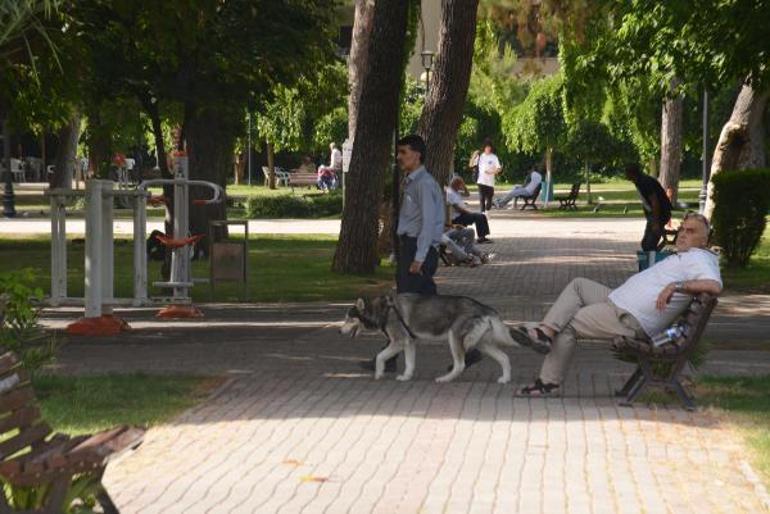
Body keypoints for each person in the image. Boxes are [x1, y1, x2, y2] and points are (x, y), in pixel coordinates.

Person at [514, 212, 721, 396]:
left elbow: (714, 285)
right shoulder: (687, 256)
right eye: (682, 229)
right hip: (616, 300)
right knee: (578, 285)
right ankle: (544, 333)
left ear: (704, 240)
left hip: (628, 318)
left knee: (567, 324)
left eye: (691, 231)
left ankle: (548, 382)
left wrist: (676, 286)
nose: (683, 234)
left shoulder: (700, 259)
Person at [360, 134, 482, 372]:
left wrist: (418, 257)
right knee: (431, 304)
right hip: (412, 247)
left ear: (416, 154)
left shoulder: (424, 184)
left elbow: (428, 224)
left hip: (418, 248)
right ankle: (468, 351)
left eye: (403, 152)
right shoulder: (413, 181)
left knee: (402, 305)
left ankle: (388, 359)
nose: (399, 157)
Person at [625, 163, 672, 251]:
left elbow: (655, 202)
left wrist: (655, 222)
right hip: (654, 215)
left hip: (660, 214)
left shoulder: (644, 182)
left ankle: (653, 261)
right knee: (645, 244)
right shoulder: (639, 181)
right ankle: (652, 258)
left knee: (649, 245)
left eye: (627, 173)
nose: (625, 176)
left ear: (632, 173)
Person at [446, 176, 492, 244]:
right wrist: (469, 212)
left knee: (482, 215)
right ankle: (481, 238)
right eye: (460, 185)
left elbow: (467, 194)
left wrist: (464, 185)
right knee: (479, 216)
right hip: (457, 217)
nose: (461, 187)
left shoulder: (455, 191)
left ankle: (483, 237)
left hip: (462, 214)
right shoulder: (450, 193)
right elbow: (457, 209)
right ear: (456, 184)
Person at [476, 140, 502, 213]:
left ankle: (487, 210)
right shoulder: (481, 156)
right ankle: (482, 214)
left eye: (489, 147)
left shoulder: (494, 157)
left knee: (489, 199)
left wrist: (495, 171)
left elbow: (498, 168)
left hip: (490, 182)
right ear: (484, 148)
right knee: (481, 198)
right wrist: (492, 171)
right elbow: (482, 169)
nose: (488, 149)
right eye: (486, 147)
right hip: (481, 181)